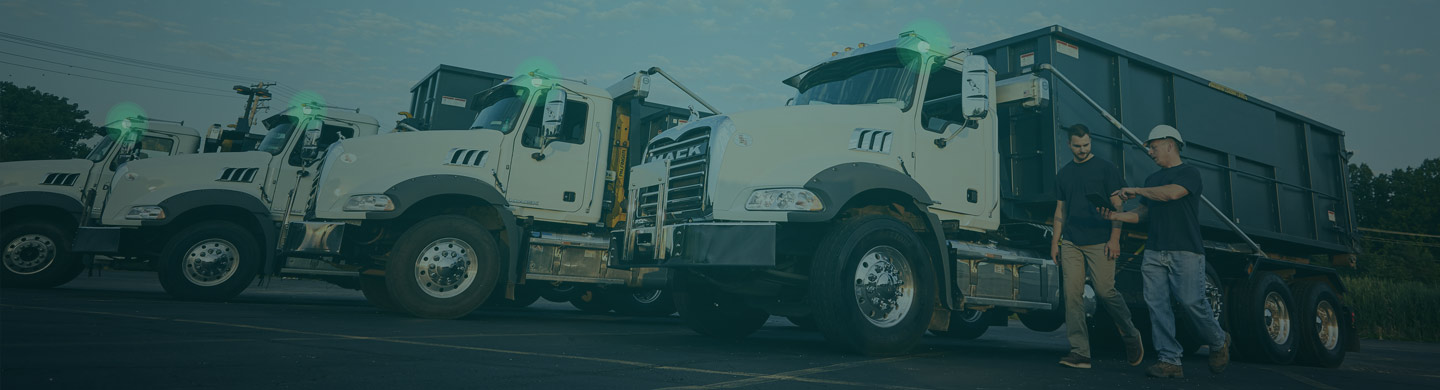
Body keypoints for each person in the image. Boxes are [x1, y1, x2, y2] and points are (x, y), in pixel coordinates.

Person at [1101, 125, 1230, 378]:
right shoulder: (1152, 179)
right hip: (1154, 252)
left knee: (1192, 301)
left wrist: (1136, 190)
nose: (1150, 151)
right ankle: (1170, 360)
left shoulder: (1189, 173)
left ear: (1170, 144)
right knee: (1157, 306)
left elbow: (1172, 194)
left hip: (1186, 250)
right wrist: (1118, 215)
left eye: (1153, 146)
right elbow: (1144, 213)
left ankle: (1218, 340)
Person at [1050, 124, 1144, 369]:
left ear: (1090, 142)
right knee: (1072, 295)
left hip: (1101, 240)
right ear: (1069, 145)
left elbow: (1118, 207)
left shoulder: (1106, 169)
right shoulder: (1064, 174)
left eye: (1086, 145)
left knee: (1105, 291)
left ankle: (1131, 334)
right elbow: (1061, 210)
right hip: (1071, 241)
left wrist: (1114, 239)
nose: (1082, 150)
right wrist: (1055, 243)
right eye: (1077, 146)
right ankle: (1080, 352)